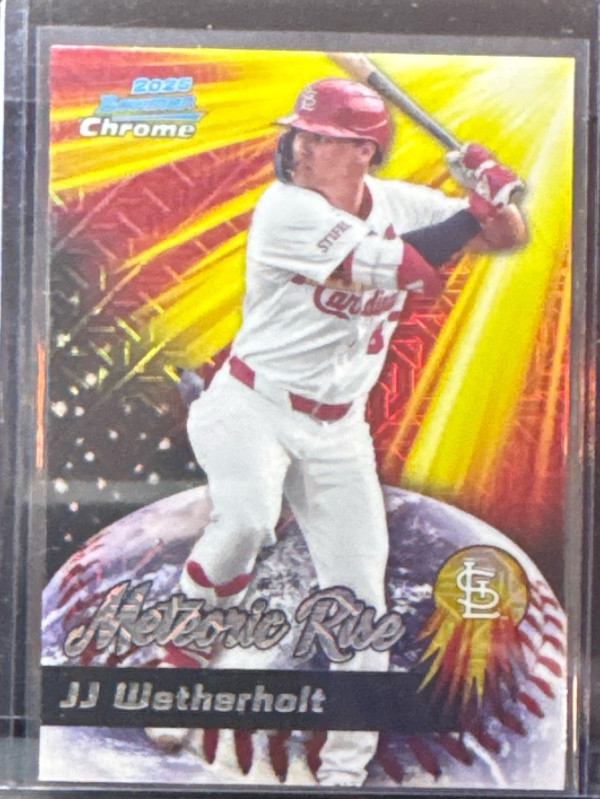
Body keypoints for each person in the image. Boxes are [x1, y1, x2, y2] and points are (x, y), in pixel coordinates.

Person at [148, 77, 528, 786]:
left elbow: (507, 236)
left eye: (323, 138)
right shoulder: (285, 208)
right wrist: (473, 210)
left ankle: (345, 770)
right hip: (252, 405)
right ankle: (180, 659)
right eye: (300, 133)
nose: (300, 147)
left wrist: (492, 193)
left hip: (338, 430)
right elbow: (399, 264)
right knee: (248, 521)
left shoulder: (400, 203)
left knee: (360, 595)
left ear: (364, 151)